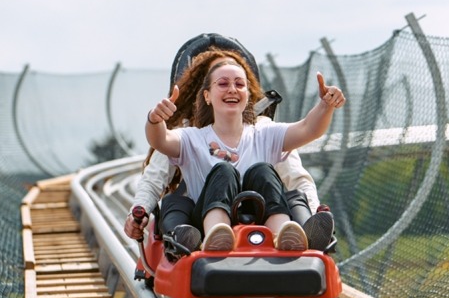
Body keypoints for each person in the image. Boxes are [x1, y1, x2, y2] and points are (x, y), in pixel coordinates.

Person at [124, 47, 335, 255]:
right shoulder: (190, 137)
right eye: (223, 83)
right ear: (206, 95)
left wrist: (326, 106)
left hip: (258, 222)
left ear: (248, 94)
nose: (232, 89)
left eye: (239, 84)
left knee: (263, 171)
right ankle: (217, 234)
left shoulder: (264, 131)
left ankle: (284, 235)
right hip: (205, 223)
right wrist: (155, 119)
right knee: (223, 171)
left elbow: (308, 130)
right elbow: (160, 141)